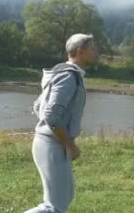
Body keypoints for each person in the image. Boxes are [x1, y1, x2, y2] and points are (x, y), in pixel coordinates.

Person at [25, 33, 98, 213]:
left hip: (53, 142)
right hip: (52, 144)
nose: (97, 51)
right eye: (93, 48)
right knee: (53, 207)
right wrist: (69, 144)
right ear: (80, 52)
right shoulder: (68, 77)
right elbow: (51, 116)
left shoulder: (67, 73)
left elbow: (38, 106)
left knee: (65, 197)